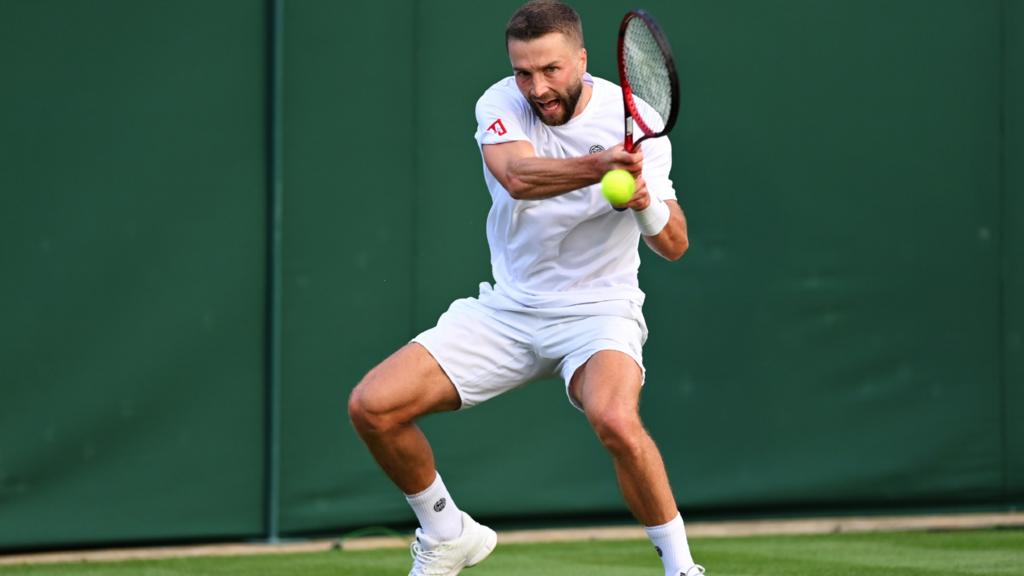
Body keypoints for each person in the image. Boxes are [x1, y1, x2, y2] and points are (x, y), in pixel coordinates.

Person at [347, 1, 703, 575]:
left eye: (551, 70)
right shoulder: (500, 102)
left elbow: (675, 243)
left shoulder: (635, 117)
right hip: (508, 309)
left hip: (599, 311)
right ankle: (447, 532)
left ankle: (682, 568)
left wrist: (644, 203)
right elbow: (517, 177)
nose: (537, 88)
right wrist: (600, 167)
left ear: (581, 60)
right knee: (373, 407)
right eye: (524, 72)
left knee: (616, 420)